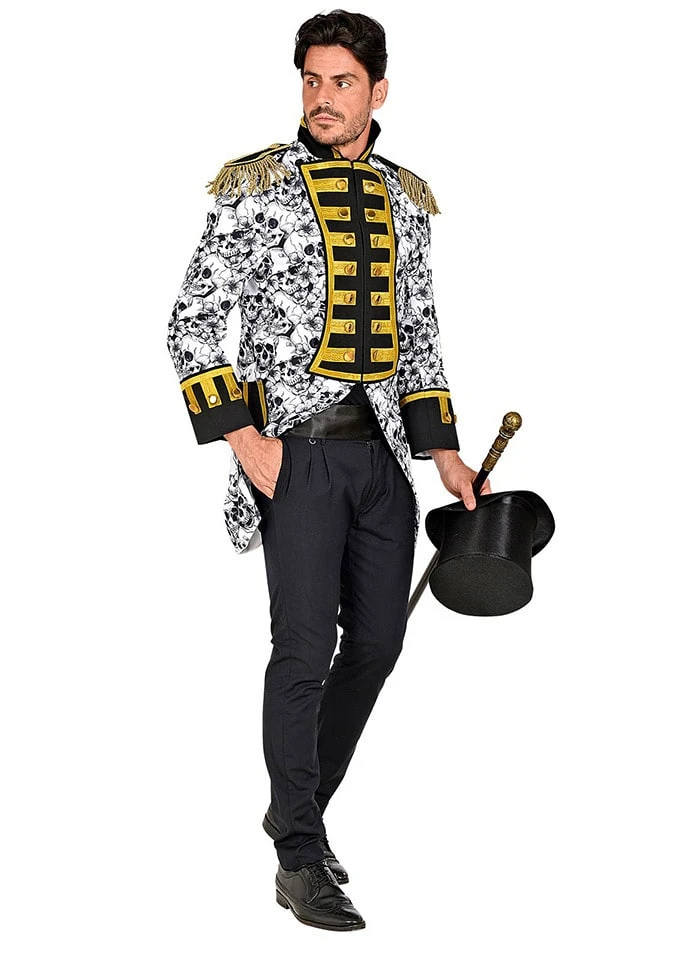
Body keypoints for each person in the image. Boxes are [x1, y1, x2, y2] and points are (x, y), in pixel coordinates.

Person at [167, 9, 491, 932]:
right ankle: (300, 856)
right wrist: (248, 443)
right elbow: (191, 320)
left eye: (342, 82)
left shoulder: (406, 199)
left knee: (379, 645)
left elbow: (420, 333)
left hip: (383, 461)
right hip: (297, 456)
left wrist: (444, 454)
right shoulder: (256, 186)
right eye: (312, 80)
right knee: (304, 651)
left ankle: (294, 809)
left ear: (378, 92)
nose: (323, 97)